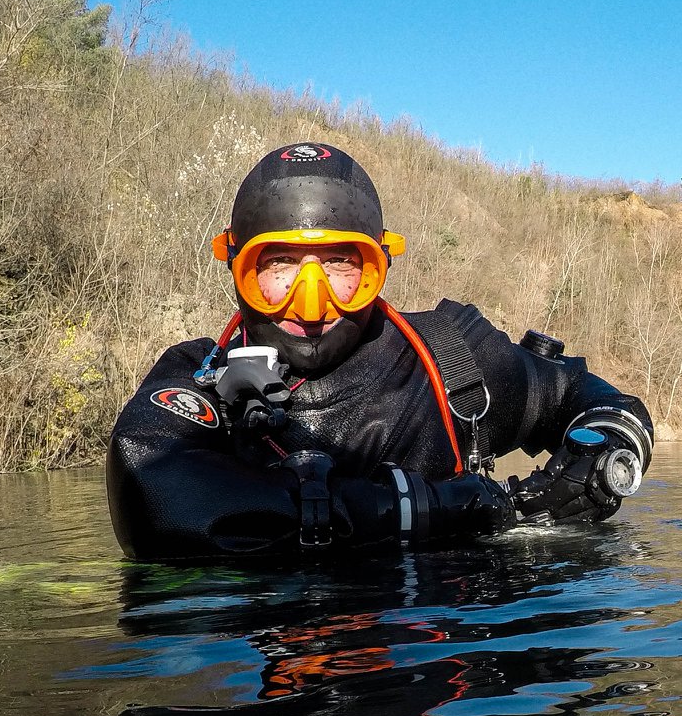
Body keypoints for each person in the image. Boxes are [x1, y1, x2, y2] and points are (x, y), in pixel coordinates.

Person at [107, 141, 653, 561]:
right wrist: (427, 511)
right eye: (279, 268)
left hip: (445, 678)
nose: (312, 304)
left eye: (342, 267)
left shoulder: (451, 358)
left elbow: (586, 395)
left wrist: (603, 457)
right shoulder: (197, 376)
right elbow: (150, 495)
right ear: (236, 268)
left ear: (378, 268)